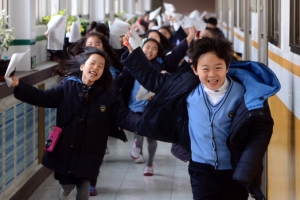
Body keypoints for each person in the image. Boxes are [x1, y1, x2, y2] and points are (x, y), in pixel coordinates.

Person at [121, 33, 280, 199]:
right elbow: (152, 79)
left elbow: (261, 128)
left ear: (227, 66)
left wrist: (246, 168)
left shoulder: (247, 95)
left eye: (218, 67)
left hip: (234, 171)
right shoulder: (186, 89)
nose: (212, 74)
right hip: (200, 170)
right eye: (205, 69)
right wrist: (133, 52)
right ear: (194, 69)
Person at [11, 47, 140, 200]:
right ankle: (65, 193)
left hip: (91, 150)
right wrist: (19, 84)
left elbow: (123, 116)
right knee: (67, 185)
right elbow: (42, 97)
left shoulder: (108, 96)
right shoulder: (67, 87)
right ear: (82, 66)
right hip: (65, 146)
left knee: (84, 186)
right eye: (92, 63)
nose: (96, 68)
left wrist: (146, 122)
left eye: (101, 66)